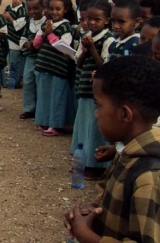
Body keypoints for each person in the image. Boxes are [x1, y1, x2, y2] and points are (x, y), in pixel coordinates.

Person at [64, 56, 160, 243]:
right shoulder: (127, 153)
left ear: (125, 114)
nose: (96, 113)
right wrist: (90, 211)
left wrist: (88, 237)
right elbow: (109, 196)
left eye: (99, 106)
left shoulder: (149, 178)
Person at [72, 0, 115, 180]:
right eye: (88, 18)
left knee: (95, 129)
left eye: (96, 19)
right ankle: (82, 161)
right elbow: (79, 61)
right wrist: (84, 49)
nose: (91, 23)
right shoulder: (87, 35)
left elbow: (104, 65)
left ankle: (96, 165)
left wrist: (91, 49)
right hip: (84, 88)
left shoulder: (108, 39)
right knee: (83, 127)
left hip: (97, 92)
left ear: (106, 20)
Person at [33, 0, 77, 136]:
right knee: (44, 95)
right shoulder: (46, 24)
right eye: (51, 9)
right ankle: (43, 120)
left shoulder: (65, 26)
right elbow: (36, 44)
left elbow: (63, 45)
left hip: (58, 69)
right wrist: (45, 34)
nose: (54, 12)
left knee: (57, 97)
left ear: (65, 10)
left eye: (58, 9)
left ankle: (56, 125)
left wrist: (50, 34)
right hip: (43, 66)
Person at [19, 0, 46, 120]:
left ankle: (41, 110)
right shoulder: (28, 22)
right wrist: (26, 44)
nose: (32, 12)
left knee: (40, 84)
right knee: (28, 82)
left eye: (36, 8)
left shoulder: (46, 23)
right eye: (29, 9)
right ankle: (29, 108)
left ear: (43, 7)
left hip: (42, 59)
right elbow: (22, 38)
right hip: (30, 58)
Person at [3, 0, 27, 89]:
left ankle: (15, 83)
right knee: (10, 62)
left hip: (16, 41)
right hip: (8, 39)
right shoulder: (9, 7)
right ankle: (11, 82)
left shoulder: (21, 10)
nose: (17, 1)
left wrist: (9, 18)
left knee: (15, 64)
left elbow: (18, 26)